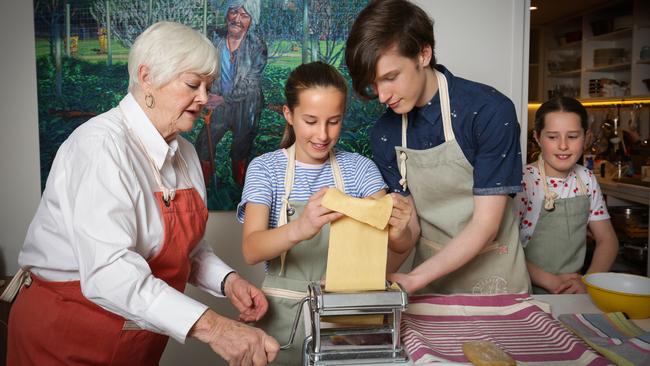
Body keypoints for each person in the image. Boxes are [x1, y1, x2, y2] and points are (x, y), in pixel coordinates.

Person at [7, 22, 279, 366]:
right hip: (65, 339)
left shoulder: (185, 153)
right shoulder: (100, 148)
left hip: (135, 343)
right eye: (193, 84)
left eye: (207, 86)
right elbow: (109, 272)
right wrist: (216, 328)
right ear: (147, 77)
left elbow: (188, 249)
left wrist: (229, 282)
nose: (204, 98)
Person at [345, 0, 531, 294]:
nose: (382, 96)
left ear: (423, 53)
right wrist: (371, 281)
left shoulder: (489, 111)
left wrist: (415, 278)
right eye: (374, 84)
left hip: (496, 281)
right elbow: (412, 229)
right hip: (431, 286)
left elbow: (486, 225)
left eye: (391, 77)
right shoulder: (385, 133)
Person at [237, 61, 414, 364]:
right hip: (283, 322)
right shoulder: (266, 169)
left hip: (347, 320)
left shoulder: (359, 169)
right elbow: (251, 249)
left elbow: (396, 246)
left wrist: (400, 230)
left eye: (333, 121)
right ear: (289, 115)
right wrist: (300, 228)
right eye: (310, 120)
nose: (322, 134)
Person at [516, 97, 618, 294]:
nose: (563, 146)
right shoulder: (523, 181)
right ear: (537, 138)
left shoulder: (586, 179)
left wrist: (588, 282)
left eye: (572, 136)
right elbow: (505, 248)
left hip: (575, 291)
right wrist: (552, 282)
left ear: (586, 137)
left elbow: (608, 240)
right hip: (527, 290)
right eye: (552, 137)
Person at [195, 0, 268, 188]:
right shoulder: (214, 38)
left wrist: (223, 98)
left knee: (241, 148)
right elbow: (203, 68)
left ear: (252, 20)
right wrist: (207, 95)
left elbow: (251, 83)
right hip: (219, 105)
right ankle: (205, 187)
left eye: (244, 15)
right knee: (204, 144)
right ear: (227, 13)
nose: (237, 19)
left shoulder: (257, 45)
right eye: (234, 12)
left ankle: (239, 188)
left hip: (247, 106)